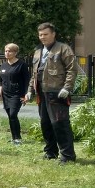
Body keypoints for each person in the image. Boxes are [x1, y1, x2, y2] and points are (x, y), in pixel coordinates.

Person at [26, 23, 77, 164]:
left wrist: (67, 88)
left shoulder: (64, 49)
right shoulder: (37, 52)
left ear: (53, 34)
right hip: (42, 93)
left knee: (60, 124)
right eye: (40, 35)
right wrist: (30, 90)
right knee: (46, 124)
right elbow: (34, 74)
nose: (43, 37)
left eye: (46, 34)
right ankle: (51, 152)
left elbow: (72, 70)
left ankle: (68, 156)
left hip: (58, 92)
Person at [0, 43, 31, 145]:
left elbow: (26, 80)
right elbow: (0, 81)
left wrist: (26, 95)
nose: (7, 53)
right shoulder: (3, 65)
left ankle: (18, 138)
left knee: (13, 114)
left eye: (10, 51)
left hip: (17, 94)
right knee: (10, 116)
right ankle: (14, 137)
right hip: (6, 94)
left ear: (15, 53)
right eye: (6, 51)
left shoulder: (21, 65)